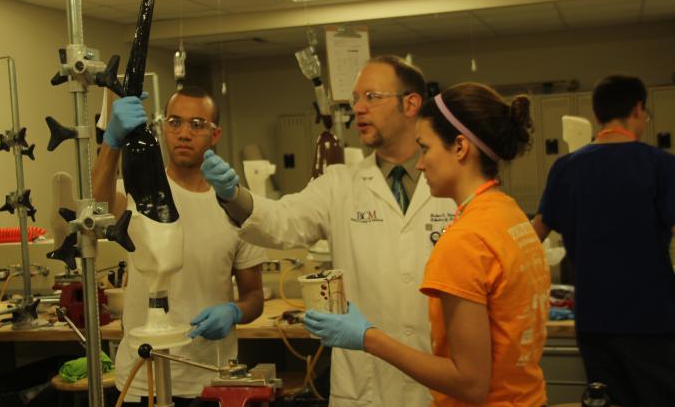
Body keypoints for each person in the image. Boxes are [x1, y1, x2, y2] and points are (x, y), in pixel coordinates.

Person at [201, 56, 457, 407]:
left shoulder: (452, 183)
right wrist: (234, 196)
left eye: (371, 97)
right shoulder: (340, 184)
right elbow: (282, 222)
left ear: (411, 103)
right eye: (355, 99)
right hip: (365, 387)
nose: (359, 109)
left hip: (440, 383)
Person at [302, 83, 551, 406]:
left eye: (425, 148)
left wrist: (367, 337)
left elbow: (470, 382)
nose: (419, 164)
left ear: (460, 147)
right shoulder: (509, 215)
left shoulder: (465, 240)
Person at [92, 86, 267, 407]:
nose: (184, 133)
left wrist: (234, 311)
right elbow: (97, 206)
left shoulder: (236, 205)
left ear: (215, 135)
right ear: (163, 128)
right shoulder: (137, 191)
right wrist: (111, 142)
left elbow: (255, 297)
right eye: (175, 122)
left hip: (209, 377)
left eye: (197, 124)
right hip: (143, 376)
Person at [533, 75, 675, 407]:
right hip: (652, 322)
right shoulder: (660, 166)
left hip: (594, 323)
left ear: (598, 116)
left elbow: (533, 235)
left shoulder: (564, 168)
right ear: (638, 109)